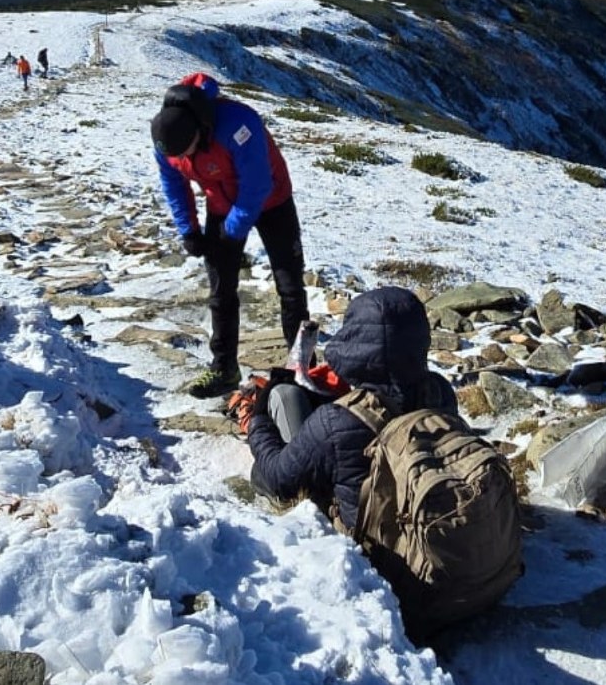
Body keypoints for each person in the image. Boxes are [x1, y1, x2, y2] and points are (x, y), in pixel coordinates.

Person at [245, 286, 458, 530]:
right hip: (439, 528)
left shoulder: (337, 421)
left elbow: (278, 481)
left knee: (260, 472)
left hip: (373, 554)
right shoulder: (439, 390)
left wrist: (259, 420)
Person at [151, 72, 309, 398]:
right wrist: (189, 230)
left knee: (290, 286)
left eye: (189, 151)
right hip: (221, 203)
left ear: (200, 129)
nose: (185, 160)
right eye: (178, 156)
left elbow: (257, 185)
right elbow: (174, 185)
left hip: (273, 200)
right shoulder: (167, 143)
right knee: (221, 290)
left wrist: (232, 231)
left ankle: (303, 368)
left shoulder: (238, 125)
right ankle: (224, 367)